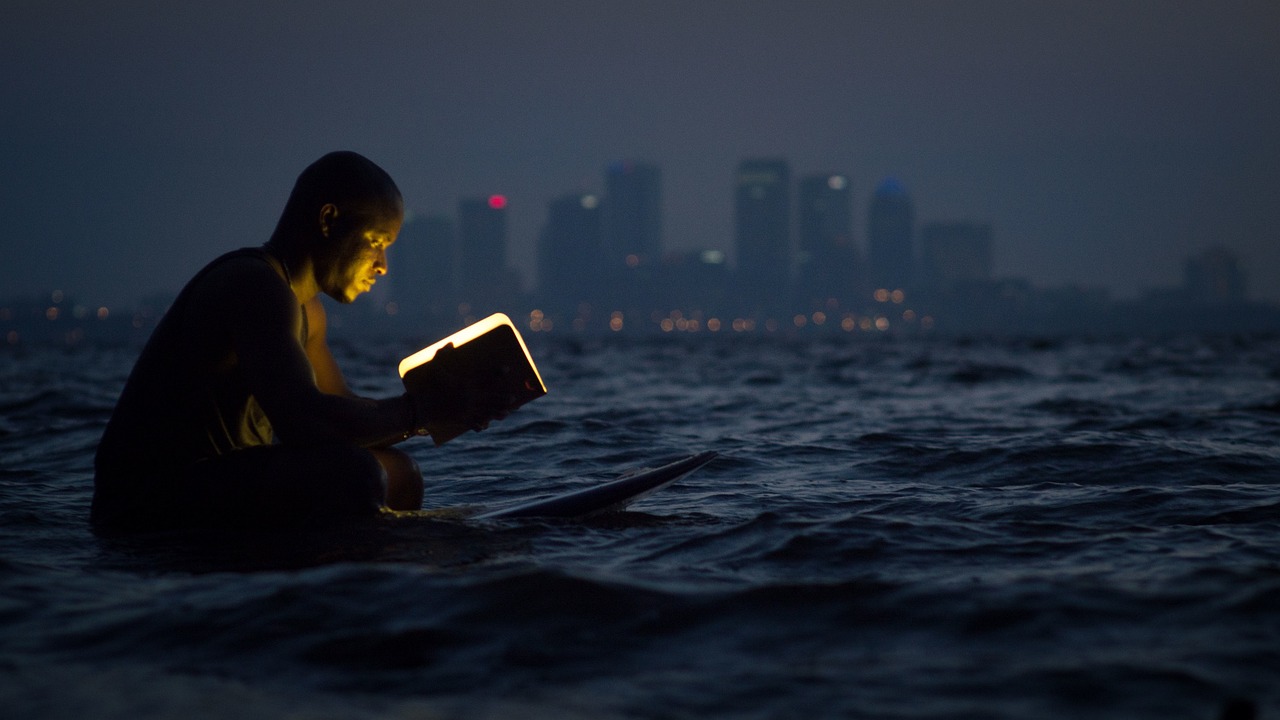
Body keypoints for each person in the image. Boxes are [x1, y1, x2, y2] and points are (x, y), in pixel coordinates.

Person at [92, 151, 500, 532]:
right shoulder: (254, 285)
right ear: (328, 221)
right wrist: (419, 411)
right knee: (356, 473)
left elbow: (339, 407)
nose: (382, 266)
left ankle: (379, 580)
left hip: (216, 486)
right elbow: (306, 422)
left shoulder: (307, 309)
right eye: (376, 242)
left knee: (400, 474)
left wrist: (444, 406)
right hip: (145, 505)